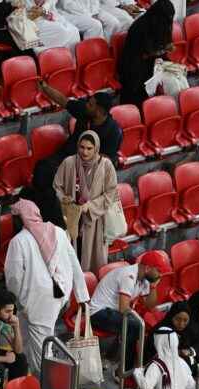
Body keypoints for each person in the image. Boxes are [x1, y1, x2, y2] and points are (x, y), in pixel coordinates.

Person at [4, 199, 89, 373]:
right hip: (59, 295)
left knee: (41, 350)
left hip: (37, 302)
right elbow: (74, 263)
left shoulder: (19, 241)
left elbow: (13, 278)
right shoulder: (57, 231)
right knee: (26, 338)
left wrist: (18, 302)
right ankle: (29, 380)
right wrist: (82, 297)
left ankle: (46, 387)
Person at [87, 251, 170, 370]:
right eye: (159, 271)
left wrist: (153, 287)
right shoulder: (129, 275)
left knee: (134, 325)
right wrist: (138, 319)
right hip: (97, 312)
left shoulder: (145, 279)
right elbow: (123, 308)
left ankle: (113, 359)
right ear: (147, 268)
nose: (160, 275)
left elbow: (150, 306)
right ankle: (125, 370)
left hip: (112, 311)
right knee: (135, 325)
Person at [53, 130, 118, 273]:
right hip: (72, 218)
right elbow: (57, 186)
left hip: (95, 220)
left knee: (93, 259)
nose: (85, 152)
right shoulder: (69, 162)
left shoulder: (106, 166)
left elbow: (111, 192)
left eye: (89, 148)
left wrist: (90, 206)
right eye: (82, 147)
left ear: (96, 149)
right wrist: (63, 198)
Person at [38, 81, 122, 166]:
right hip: (68, 155)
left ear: (99, 111)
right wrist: (45, 87)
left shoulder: (113, 131)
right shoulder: (84, 110)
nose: (86, 105)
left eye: (90, 105)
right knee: (44, 166)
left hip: (89, 165)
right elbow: (63, 101)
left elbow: (106, 158)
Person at [118, 0, 174, 107]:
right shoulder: (140, 27)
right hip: (134, 67)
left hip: (152, 62)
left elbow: (163, 44)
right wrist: (163, 49)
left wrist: (166, 47)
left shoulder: (162, 24)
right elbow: (144, 53)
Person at [18, 160, 66, 229]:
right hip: (49, 235)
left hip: (28, 234)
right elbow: (61, 227)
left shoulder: (24, 193)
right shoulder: (53, 198)